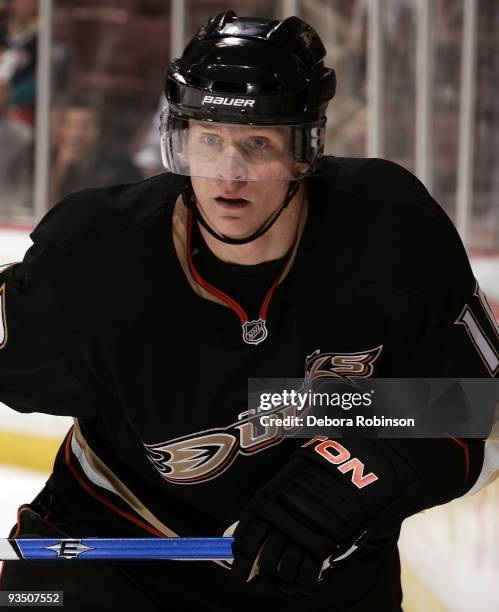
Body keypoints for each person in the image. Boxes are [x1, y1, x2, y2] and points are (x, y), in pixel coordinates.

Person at [0, 11, 497, 611]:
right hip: (117, 552)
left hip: (317, 573)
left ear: (305, 150)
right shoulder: (98, 260)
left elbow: (475, 403)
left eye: (257, 143)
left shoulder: (391, 237)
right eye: (209, 140)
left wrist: (360, 469)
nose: (228, 174)